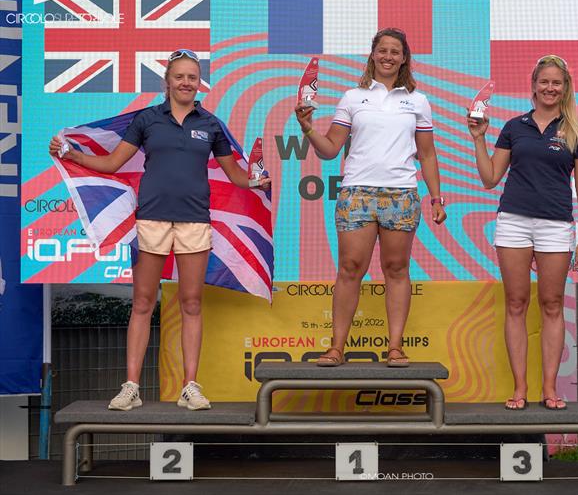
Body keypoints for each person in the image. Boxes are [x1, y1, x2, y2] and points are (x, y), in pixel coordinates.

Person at [49, 49, 271, 411]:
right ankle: (131, 387)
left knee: (192, 304)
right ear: (167, 82)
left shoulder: (211, 124)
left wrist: (256, 183)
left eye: (193, 77)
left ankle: (190, 388)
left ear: (200, 83)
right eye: (180, 76)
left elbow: (235, 176)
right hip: (151, 219)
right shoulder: (148, 120)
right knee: (142, 303)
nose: (187, 83)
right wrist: (71, 155)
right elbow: (112, 162)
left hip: (196, 222)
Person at [294, 28, 446, 367]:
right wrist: (307, 128)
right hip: (357, 192)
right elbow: (331, 149)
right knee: (350, 268)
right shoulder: (352, 97)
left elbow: (428, 154)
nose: (388, 56)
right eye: (383, 50)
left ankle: (395, 347)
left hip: (401, 194)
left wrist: (436, 198)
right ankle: (336, 348)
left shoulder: (418, 101)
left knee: (396, 268)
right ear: (372, 55)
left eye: (395, 51)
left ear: (405, 58)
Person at [466, 55, 578, 410]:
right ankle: (520, 388)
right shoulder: (513, 126)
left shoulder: (577, 131)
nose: (550, 88)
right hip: (513, 223)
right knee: (516, 303)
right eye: (544, 82)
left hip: (556, 226)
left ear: (564, 87)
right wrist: (479, 138)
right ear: (533, 86)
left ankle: (550, 390)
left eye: (557, 82)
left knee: (552, 306)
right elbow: (490, 178)